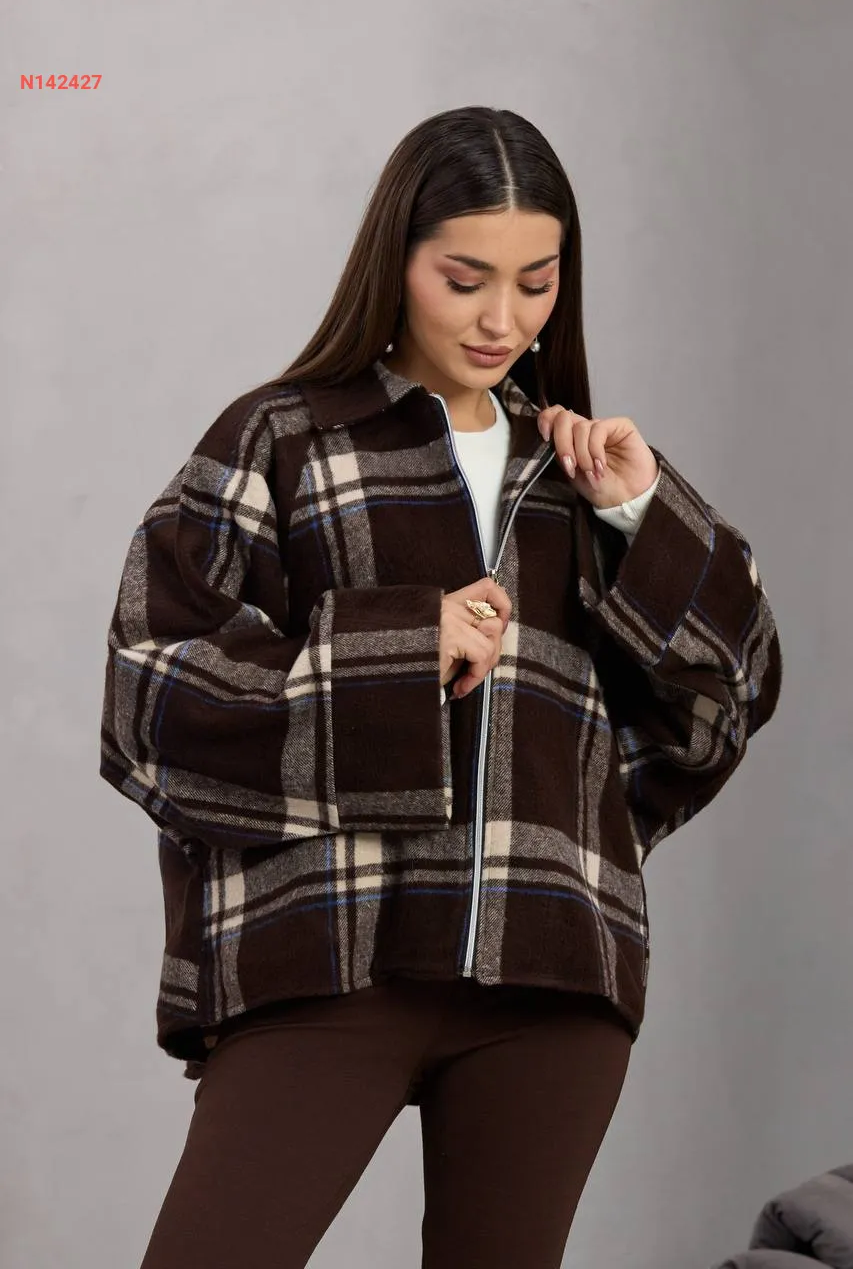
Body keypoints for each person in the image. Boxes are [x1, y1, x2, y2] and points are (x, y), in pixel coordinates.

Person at [98, 105, 783, 1269]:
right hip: (330, 947)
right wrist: (400, 649)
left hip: (550, 969)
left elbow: (731, 697)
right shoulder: (283, 438)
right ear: (397, 262)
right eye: (464, 279)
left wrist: (640, 512)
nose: (501, 318)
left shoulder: (584, 473)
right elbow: (148, 691)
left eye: (535, 282)